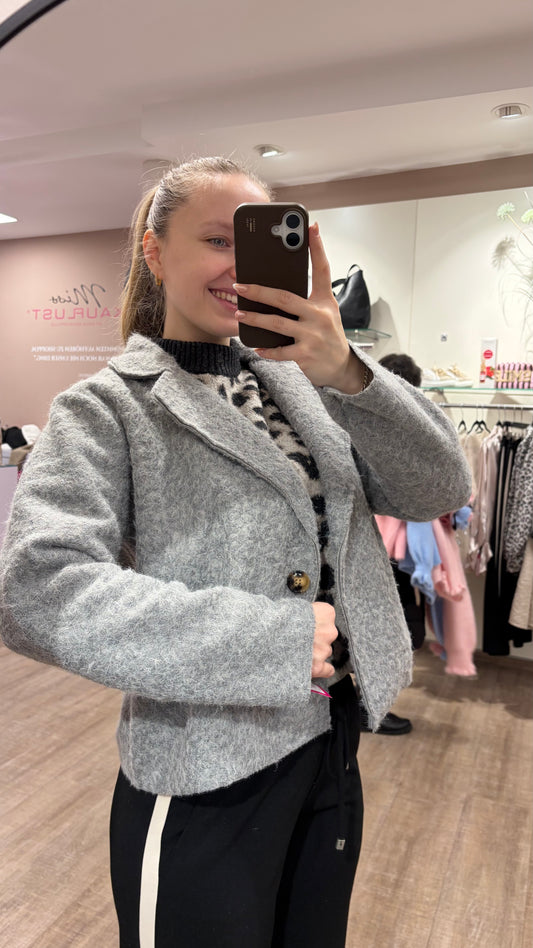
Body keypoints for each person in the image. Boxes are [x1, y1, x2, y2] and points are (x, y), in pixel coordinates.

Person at [0, 157, 471, 948]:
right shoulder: (106, 409)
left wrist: (346, 369)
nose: (238, 267)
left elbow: (436, 487)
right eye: (217, 240)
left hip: (328, 743)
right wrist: (270, 640)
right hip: (201, 770)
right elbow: (37, 590)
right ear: (155, 252)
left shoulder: (307, 386)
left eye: (253, 246)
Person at [359, 353, 425, 736]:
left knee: (395, 631)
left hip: (388, 552)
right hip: (382, 552)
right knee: (387, 631)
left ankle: (372, 706)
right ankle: (372, 708)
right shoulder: (375, 431)